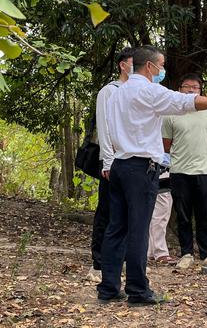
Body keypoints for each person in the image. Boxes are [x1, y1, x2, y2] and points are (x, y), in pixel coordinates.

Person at [97, 45, 207, 305]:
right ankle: (138, 290)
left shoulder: (117, 93)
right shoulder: (148, 90)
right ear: (150, 67)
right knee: (139, 229)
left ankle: (108, 287)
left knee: (116, 228)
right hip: (140, 169)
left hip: (120, 165)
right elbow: (185, 102)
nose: (163, 70)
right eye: (161, 65)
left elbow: (109, 130)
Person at [87, 47, 134, 283]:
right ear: (122, 65)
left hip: (130, 161)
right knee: (106, 210)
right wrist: (108, 161)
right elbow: (105, 128)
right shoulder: (109, 91)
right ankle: (98, 263)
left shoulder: (136, 92)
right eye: (132, 63)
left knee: (124, 213)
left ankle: (118, 260)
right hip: (111, 160)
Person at [162, 73, 207, 270]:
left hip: (202, 171)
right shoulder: (171, 113)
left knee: (204, 215)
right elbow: (166, 145)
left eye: (196, 87)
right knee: (183, 216)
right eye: (187, 87)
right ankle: (186, 253)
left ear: (201, 91)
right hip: (179, 171)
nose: (192, 90)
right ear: (180, 89)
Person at [146, 155, 174, 264]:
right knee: (162, 211)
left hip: (160, 168)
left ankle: (151, 250)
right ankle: (160, 251)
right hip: (161, 167)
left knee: (156, 212)